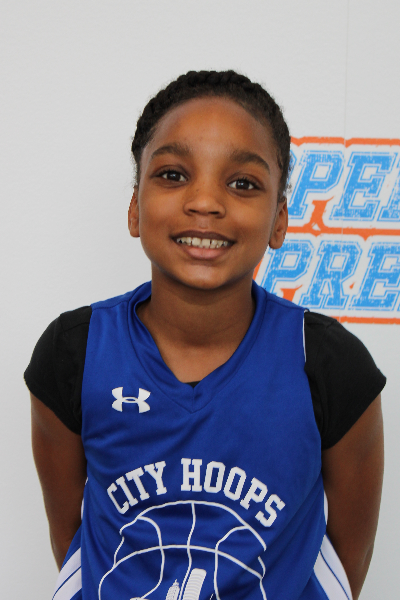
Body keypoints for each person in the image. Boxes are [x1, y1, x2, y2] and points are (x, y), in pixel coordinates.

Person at [25, 70, 385, 600]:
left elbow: (345, 564)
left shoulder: (329, 364)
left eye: (243, 184)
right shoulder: (74, 354)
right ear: (135, 208)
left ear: (279, 220)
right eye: (173, 175)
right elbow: (74, 547)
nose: (205, 202)